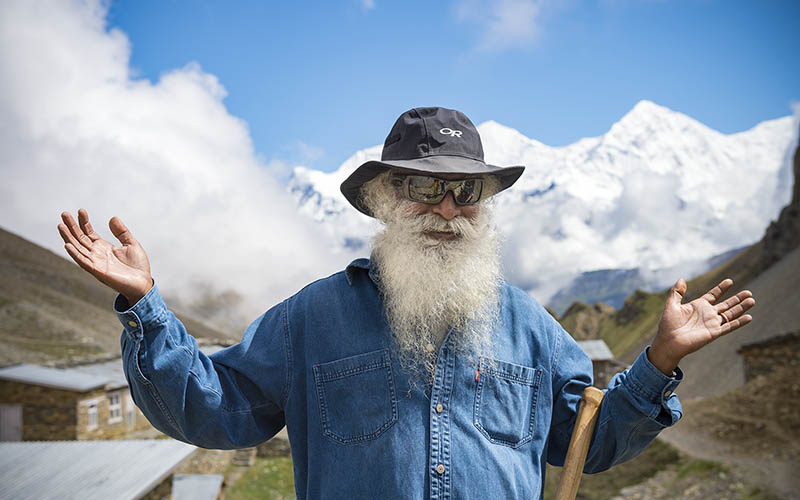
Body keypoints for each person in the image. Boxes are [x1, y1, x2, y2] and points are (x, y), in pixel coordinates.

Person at [57, 107, 754, 499]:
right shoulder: (314, 318)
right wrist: (145, 305)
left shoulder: (531, 330)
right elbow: (211, 407)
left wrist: (659, 359)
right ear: (385, 199)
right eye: (424, 188)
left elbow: (589, 446)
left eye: (467, 192)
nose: (448, 208)